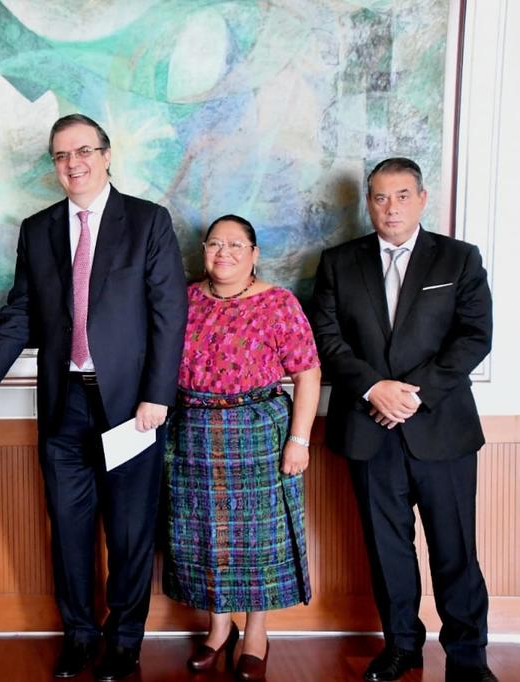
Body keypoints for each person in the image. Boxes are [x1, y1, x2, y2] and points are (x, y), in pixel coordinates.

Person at [0, 113, 188, 681]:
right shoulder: (37, 229)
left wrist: (157, 396)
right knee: (68, 528)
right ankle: (80, 636)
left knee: (130, 531)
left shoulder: (147, 221)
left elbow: (169, 314)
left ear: (106, 156)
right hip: (64, 404)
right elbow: (21, 311)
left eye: (84, 151)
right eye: (62, 155)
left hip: (132, 407)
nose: (73, 163)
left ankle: (124, 641)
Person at [310, 158, 495, 682]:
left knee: (455, 550)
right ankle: (402, 647)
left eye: (402, 196)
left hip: (441, 428)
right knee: (387, 549)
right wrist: (374, 388)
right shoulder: (339, 262)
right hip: (368, 428)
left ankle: (468, 658)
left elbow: (474, 336)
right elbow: (326, 337)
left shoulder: (458, 258)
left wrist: (413, 395)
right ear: (368, 202)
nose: (391, 208)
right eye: (380, 197)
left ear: (422, 198)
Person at [163, 215, 320, 681]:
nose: (224, 253)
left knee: (258, 539)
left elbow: (308, 374)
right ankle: (218, 629)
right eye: (215, 244)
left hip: (258, 433)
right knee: (203, 536)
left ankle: (255, 633)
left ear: (254, 254)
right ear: (203, 252)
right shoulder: (184, 299)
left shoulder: (278, 303)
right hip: (192, 432)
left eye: (235, 245)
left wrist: (299, 440)